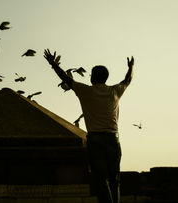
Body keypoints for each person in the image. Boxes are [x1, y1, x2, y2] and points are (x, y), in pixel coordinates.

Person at [43, 49, 134, 203]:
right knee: (114, 179)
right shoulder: (115, 91)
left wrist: (53, 63)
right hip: (113, 139)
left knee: (101, 179)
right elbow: (127, 80)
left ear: (93, 77)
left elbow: (65, 78)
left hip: (95, 140)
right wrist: (131, 67)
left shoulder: (86, 91)